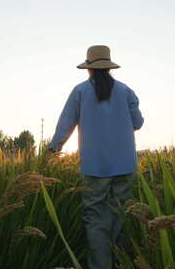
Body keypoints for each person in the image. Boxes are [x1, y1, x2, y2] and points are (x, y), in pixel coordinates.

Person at [48, 45, 144, 269]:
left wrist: (54, 148)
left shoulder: (80, 91)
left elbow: (66, 123)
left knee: (95, 219)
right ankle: (123, 263)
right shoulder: (126, 91)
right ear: (109, 67)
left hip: (93, 167)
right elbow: (137, 123)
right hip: (125, 166)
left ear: (89, 69)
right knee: (123, 215)